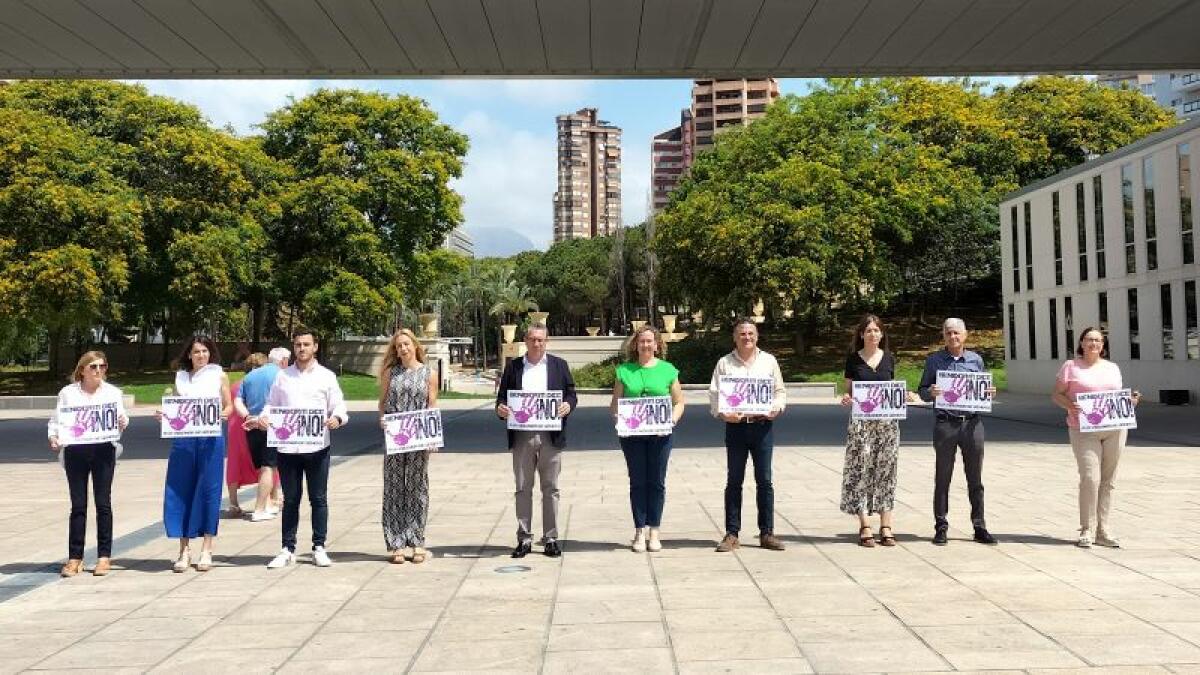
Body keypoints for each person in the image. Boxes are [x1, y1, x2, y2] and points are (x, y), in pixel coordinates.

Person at [262, 330, 348, 569]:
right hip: (288, 449)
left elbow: (339, 405)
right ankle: (287, 548)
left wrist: (337, 418)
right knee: (290, 499)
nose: (302, 348)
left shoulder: (327, 377)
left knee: (318, 498)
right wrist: (264, 418)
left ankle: (319, 546)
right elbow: (272, 404)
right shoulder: (282, 377)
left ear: (315, 347)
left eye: (306, 344)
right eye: (298, 344)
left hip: (317, 447)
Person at [1051, 328, 1140, 548]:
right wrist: (1070, 405)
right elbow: (1056, 394)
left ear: (1103, 344)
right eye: (1089, 339)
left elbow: (1115, 397)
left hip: (1115, 428)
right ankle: (1087, 529)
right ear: (1081, 343)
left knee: (1109, 480)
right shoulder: (1070, 367)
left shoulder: (1112, 368)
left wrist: (1130, 401)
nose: (1094, 343)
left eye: (1098, 340)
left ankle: (1104, 529)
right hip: (1083, 428)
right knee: (1091, 478)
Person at [495, 323, 577, 558]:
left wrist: (568, 404)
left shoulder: (559, 365)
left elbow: (571, 393)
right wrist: (500, 409)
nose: (536, 343)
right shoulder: (514, 367)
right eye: (532, 339)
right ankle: (524, 538)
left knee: (551, 488)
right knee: (522, 488)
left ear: (546, 341)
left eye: (540, 339)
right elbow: (502, 397)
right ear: (525, 341)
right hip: (522, 435)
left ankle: (550, 538)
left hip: (551, 434)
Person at [917, 318, 999, 546]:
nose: (953, 337)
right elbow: (922, 390)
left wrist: (989, 392)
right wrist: (930, 392)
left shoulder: (975, 360)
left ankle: (979, 526)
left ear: (965, 335)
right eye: (948, 333)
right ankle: (941, 526)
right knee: (943, 477)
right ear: (943, 336)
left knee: (975, 477)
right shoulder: (934, 361)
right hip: (946, 424)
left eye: (957, 333)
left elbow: (983, 387)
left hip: (972, 424)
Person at [709, 318, 787, 552]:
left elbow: (779, 391)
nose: (747, 338)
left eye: (750, 333)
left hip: (762, 427)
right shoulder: (724, 363)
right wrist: (724, 414)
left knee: (765, 480)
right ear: (735, 337)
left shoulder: (769, 361)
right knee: (734, 481)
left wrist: (777, 407)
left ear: (757, 336)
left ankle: (767, 533)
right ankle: (732, 534)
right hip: (736, 427)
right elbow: (714, 394)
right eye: (742, 334)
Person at [48, 351, 129, 577]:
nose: (98, 371)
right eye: (93, 367)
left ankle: (104, 556)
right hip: (76, 450)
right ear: (82, 369)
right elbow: (56, 421)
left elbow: (121, 418)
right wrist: (54, 436)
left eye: (102, 366)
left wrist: (123, 421)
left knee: (103, 503)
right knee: (78, 504)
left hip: (103, 449)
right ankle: (75, 557)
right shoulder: (68, 393)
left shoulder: (112, 392)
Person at [161, 336, 232, 572]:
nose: (201, 355)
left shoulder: (218, 374)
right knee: (181, 489)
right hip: (185, 440)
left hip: (210, 439)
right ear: (189, 355)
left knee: (209, 490)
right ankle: (184, 550)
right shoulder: (181, 376)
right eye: (196, 351)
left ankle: (207, 548)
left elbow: (229, 405)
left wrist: (224, 414)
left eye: (205, 351)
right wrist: (166, 416)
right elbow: (178, 409)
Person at [611, 326, 685, 553]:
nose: (645, 345)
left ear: (657, 344)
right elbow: (616, 402)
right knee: (638, 482)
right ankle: (639, 530)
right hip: (632, 437)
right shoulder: (624, 370)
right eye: (641, 341)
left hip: (660, 436)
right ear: (636, 344)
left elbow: (679, 402)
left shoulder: (668, 370)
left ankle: (655, 530)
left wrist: (670, 422)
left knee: (657, 482)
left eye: (649, 341)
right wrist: (619, 419)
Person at [838, 315, 901, 547]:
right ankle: (864, 524)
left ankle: (886, 524)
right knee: (861, 471)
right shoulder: (853, 360)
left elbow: (891, 388)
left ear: (882, 334)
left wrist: (905, 395)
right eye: (868, 330)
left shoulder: (889, 359)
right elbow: (849, 392)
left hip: (887, 424)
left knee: (887, 471)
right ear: (861, 335)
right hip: (861, 424)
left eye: (876, 330)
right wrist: (846, 398)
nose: (873, 334)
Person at [377, 328, 439, 564]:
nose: (402, 349)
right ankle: (396, 543)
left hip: (419, 436)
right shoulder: (390, 373)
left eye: (406, 344)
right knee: (393, 486)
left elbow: (432, 404)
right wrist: (382, 418)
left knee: (417, 486)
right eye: (398, 346)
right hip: (394, 436)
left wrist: (433, 436)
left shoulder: (429, 374)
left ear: (415, 346)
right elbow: (382, 403)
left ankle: (416, 540)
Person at [233, 348, 289, 521]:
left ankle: (271, 503)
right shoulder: (282, 375)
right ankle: (260, 509)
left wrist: (247, 416)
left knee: (263, 467)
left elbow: (237, 400)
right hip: (271, 424)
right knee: (269, 467)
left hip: (252, 425)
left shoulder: (250, 376)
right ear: (284, 360)